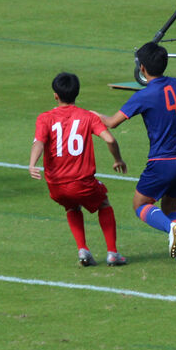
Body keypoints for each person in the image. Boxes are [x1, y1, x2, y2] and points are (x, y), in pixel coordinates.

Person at [100, 42, 176, 270]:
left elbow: (112, 123)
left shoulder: (143, 96)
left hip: (162, 162)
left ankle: (170, 230)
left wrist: (91, 114)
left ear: (142, 68)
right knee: (171, 209)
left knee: (140, 204)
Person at [29, 71, 128, 267]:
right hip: (81, 181)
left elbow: (39, 142)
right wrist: (117, 159)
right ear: (77, 93)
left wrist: (32, 164)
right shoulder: (87, 116)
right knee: (104, 204)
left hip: (56, 184)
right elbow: (110, 139)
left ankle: (83, 250)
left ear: (55, 95)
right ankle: (113, 253)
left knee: (71, 205)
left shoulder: (44, 118)